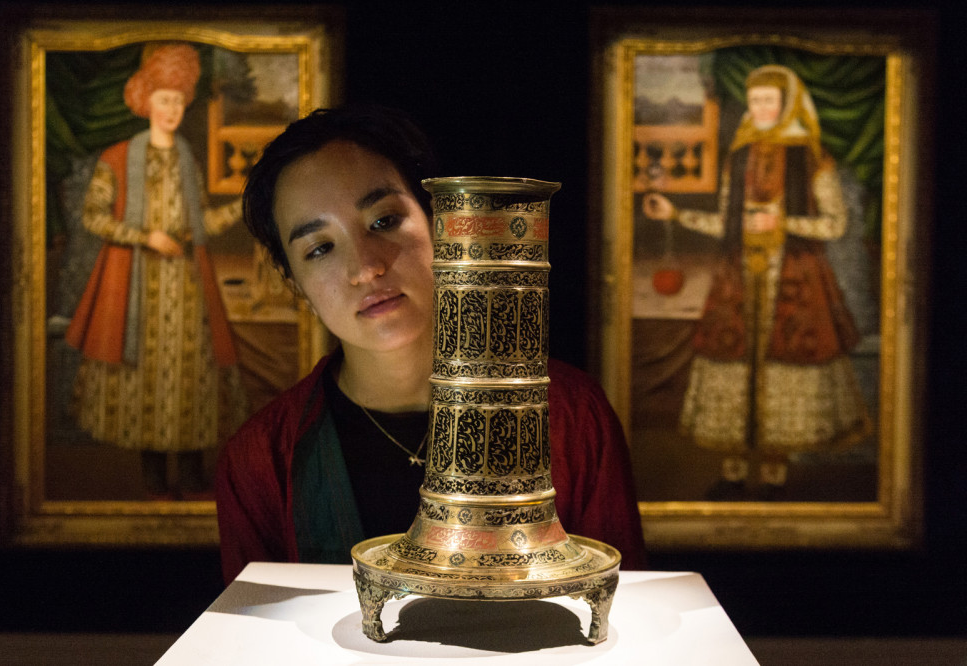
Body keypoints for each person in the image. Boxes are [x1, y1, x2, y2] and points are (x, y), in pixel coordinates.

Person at [215, 105, 647, 584]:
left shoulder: (571, 416)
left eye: (383, 221)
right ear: (295, 284)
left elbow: (622, 608)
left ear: (443, 224)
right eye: (319, 248)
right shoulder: (262, 460)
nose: (366, 267)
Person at [642, 64, 872, 499]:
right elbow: (726, 223)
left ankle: (772, 479)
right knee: (734, 367)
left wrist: (784, 221)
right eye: (754, 101)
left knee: (784, 368)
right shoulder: (740, 156)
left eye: (769, 101)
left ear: (786, 104)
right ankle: (731, 474)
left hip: (795, 278)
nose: (760, 109)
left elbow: (837, 224)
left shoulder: (812, 157)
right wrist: (675, 214)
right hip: (739, 280)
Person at [65, 42, 248, 500]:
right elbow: (93, 216)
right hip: (136, 288)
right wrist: (147, 237)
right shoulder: (118, 157)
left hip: (187, 288)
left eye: (180, 101)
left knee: (190, 378)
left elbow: (199, 224)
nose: (172, 109)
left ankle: (190, 475)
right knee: (144, 377)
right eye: (164, 99)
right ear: (145, 101)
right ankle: (152, 479)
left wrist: (242, 208)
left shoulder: (186, 157)